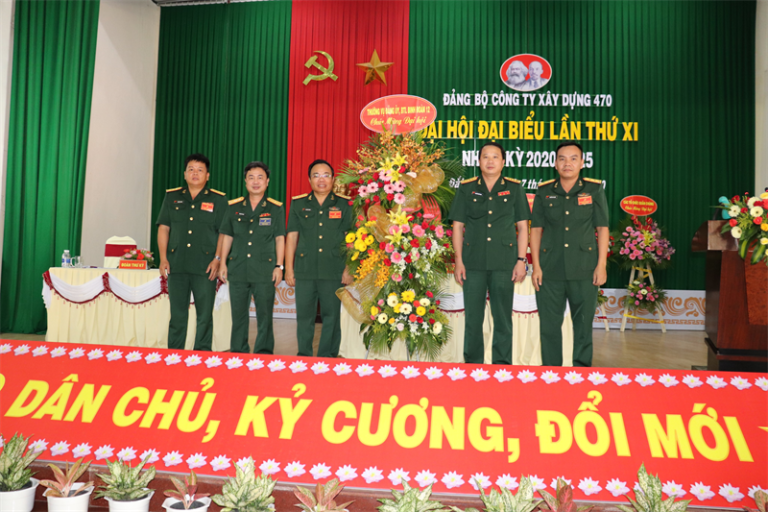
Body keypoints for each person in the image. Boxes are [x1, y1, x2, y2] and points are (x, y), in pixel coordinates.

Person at [449, 142, 530, 364]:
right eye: (486, 156)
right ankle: (472, 365)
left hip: (504, 263)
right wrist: (459, 261)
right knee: (473, 320)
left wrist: (521, 260)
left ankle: (501, 367)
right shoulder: (466, 188)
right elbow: (457, 226)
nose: (490, 161)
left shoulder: (515, 188)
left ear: (503, 162)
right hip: (472, 263)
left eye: (495, 157)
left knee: (503, 320)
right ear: (479, 161)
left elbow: (523, 227)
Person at [530, 141, 609, 367]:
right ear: (555, 164)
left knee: (583, 326)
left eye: (574, 158)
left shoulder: (594, 190)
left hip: (584, 268)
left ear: (582, 163)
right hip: (550, 269)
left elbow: (602, 228)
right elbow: (536, 230)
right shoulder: (545, 191)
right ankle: (551, 374)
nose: (568, 163)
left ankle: (581, 373)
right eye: (562, 159)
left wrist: (601, 265)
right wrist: (536, 266)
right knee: (549, 327)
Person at [156, 153, 227, 351]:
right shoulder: (172, 197)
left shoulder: (218, 199)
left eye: (200, 170)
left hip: (206, 266)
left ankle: (202, 354)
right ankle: (174, 355)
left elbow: (224, 233)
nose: (195, 173)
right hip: (177, 264)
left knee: (204, 315)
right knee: (177, 314)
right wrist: (163, 258)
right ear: (185, 174)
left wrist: (218, 259)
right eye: (191, 169)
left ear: (207, 175)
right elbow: (163, 228)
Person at [285, 159, 354, 357]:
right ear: (309, 179)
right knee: (304, 316)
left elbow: (352, 239)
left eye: (326, 175)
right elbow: (292, 237)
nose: (321, 180)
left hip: (334, 269)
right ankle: (304, 356)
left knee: (331, 317)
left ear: (333, 179)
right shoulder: (298, 204)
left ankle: (327, 357)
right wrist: (288, 269)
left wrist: (349, 267)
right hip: (305, 269)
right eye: (316, 175)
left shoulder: (345, 204)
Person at [218, 162, 285, 354]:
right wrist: (222, 262)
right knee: (238, 315)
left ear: (267, 181)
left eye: (260, 177)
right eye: (251, 177)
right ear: (245, 181)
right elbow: (227, 236)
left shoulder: (275, 208)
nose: (256, 182)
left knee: (265, 315)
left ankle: (264, 352)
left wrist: (279, 266)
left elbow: (280, 239)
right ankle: (238, 352)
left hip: (264, 270)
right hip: (238, 268)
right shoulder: (234, 207)